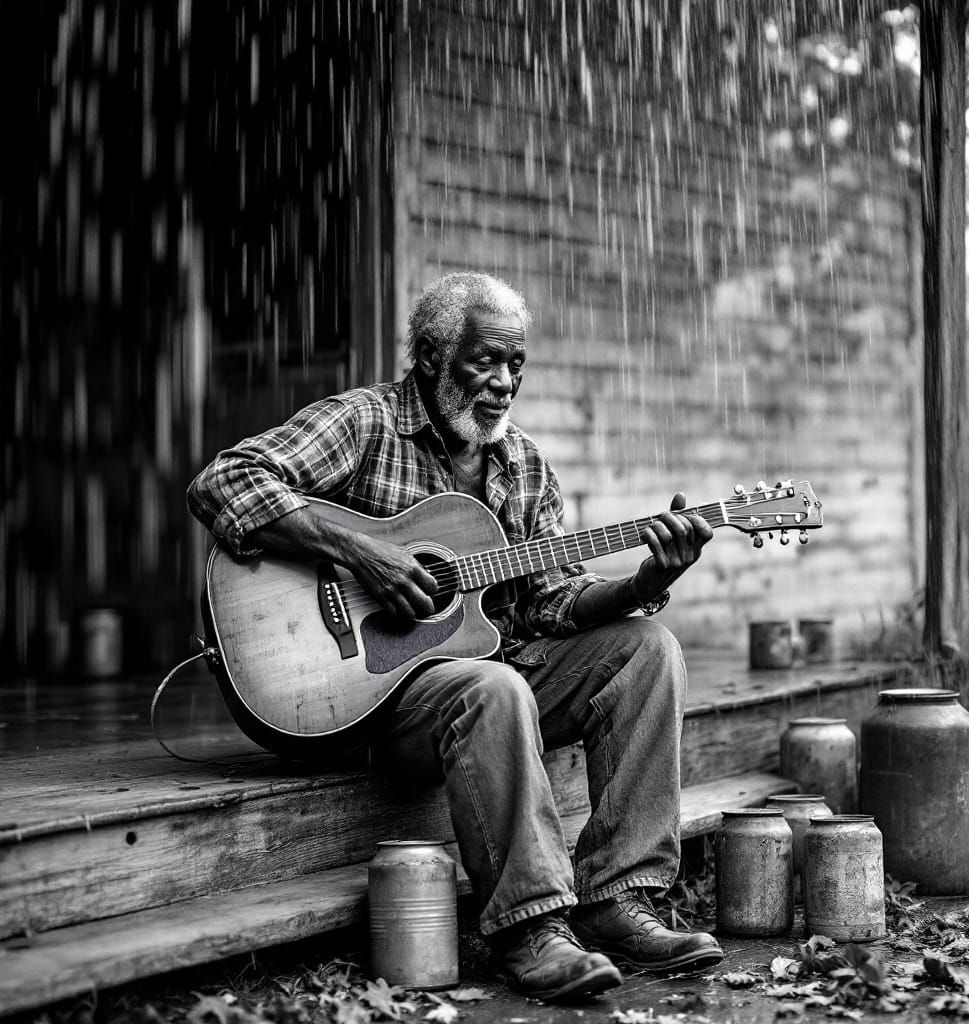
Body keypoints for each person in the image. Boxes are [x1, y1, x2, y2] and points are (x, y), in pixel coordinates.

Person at [187, 272, 724, 1003]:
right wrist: (358, 550)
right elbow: (226, 480)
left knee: (647, 649)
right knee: (491, 684)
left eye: (517, 365)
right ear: (434, 357)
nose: (505, 383)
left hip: (481, 678)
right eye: (485, 362)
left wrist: (639, 584)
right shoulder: (364, 422)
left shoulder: (524, 464)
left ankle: (618, 901)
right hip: (369, 701)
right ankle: (531, 930)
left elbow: (551, 603)